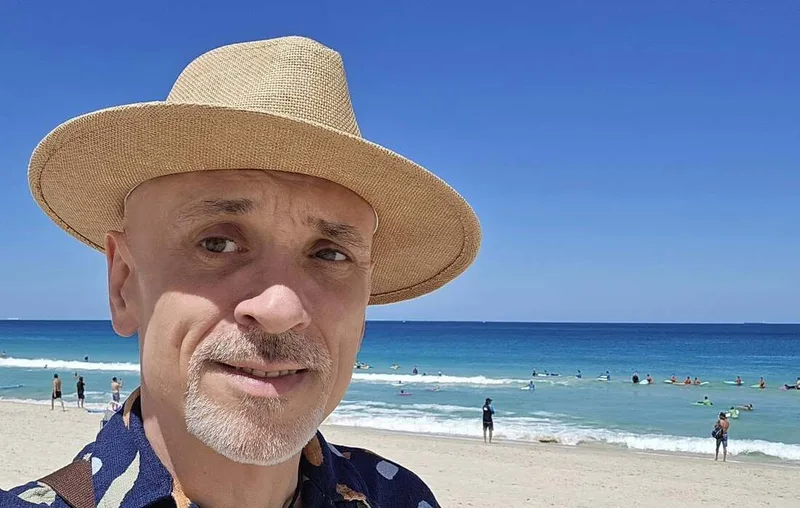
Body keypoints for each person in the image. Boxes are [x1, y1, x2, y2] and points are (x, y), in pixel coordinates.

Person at [2, 36, 480, 508]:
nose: (280, 309)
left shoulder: (400, 497)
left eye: (331, 254)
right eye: (217, 243)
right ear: (123, 283)